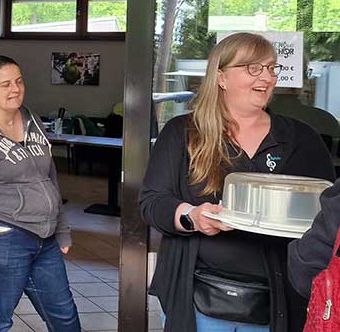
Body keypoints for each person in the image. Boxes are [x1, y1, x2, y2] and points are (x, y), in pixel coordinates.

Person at [140, 32, 334, 332]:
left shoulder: (302, 138)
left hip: (278, 300)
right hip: (197, 295)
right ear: (221, 77)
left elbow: (328, 216)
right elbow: (152, 202)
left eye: (271, 68)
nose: (266, 77)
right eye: (252, 68)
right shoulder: (183, 133)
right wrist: (192, 217)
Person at [0, 55, 80, 332]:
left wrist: (62, 228)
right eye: (5, 84)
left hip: (45, 241)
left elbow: (49, 176)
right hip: (3, 241)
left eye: (19, 81)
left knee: (65, 319)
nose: (15, 89)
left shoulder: (31, 117)